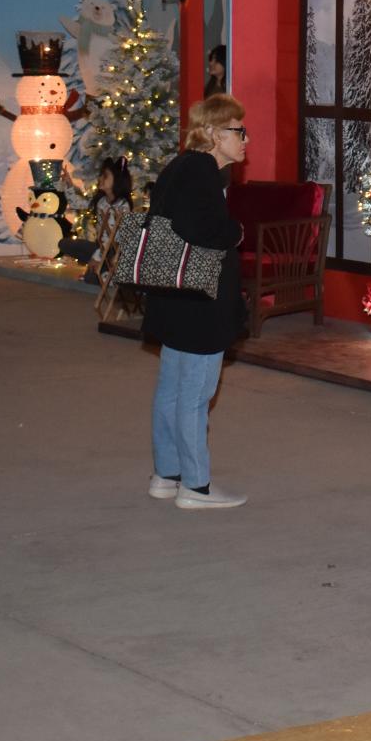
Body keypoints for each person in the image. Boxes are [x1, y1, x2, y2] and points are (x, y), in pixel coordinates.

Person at [143, 93, 251, 510]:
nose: (245, 139)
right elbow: (200, 228)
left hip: (175, 297)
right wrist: (235, 232)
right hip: (200, 301)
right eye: (237, 131)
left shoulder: (181, 167)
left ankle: (166, 475)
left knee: (171, 387)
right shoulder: (203, 172)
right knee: (195, 393)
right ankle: (196, 486)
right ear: (212, 133)